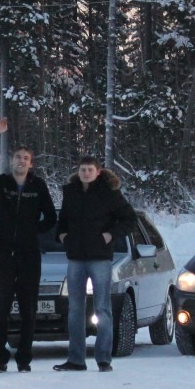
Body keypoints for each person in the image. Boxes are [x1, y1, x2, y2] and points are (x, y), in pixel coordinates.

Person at [0, 118, 58, 372]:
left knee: (28, 310)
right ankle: (0, 358)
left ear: (31, 164)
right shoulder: (2, 184)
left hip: (29, 257)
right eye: (18, 157)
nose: (21, 161)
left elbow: (51, 218)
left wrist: (34, 233)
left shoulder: (38, 186)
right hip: (3, 256)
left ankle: (24, 358)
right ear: (11, 161)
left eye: (25, 158)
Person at [53, 155, 137, 372]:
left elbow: (129, 219)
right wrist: (62, 236)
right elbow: (63, 220)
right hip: (75, 258)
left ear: (98, 172)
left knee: (102, 308)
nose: (86, 173)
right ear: (78, 171)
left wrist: (110, 235)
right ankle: (76, 359)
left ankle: (103, 358)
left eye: (90, 169)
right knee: (75, 310)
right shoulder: (70, 192)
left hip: (100, 257)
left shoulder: (109, 193)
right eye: (83, 169)